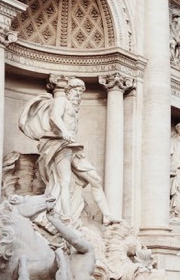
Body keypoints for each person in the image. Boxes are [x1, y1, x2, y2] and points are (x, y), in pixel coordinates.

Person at [18, 77, 118, 225]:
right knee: (64, 181)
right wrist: (64, 131)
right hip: (60, 144)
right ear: (69, 91)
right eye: (76, 90)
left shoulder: (73, 107)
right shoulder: (61, 101)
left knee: (95, 179)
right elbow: (54, 116)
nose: (78, 94)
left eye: (81, 91)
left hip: (72, 147)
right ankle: (66, 216)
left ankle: (107, 215)